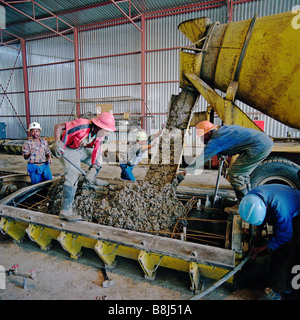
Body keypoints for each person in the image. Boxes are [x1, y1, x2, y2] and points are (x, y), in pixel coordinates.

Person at [180, 121, 273, 213]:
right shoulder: (222, 131)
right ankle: (249, 200)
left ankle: (243, 205)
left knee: (236, 174)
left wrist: (184, 173)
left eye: (201, 137)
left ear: (207, 133)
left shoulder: (215, 141)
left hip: (258, 147)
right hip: (264, 142)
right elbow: (231, 143)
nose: (200, 139)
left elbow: (201, 159)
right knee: (243, 175)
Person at [239, 184, 300, 300]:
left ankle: (276, 290)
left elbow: (285, 237)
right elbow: (260, 219)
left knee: (283, 250)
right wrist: (257, 240)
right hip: (283, 199)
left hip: (297, 212)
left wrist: (262, 248)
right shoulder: (252, 198)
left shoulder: (281, 211)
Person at [51, 112, 116, 221]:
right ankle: (65, 211)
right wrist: (57, 142)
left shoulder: (100, 135)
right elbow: (59, 126)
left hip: (80, 148)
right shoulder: (82, 124)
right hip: (67, 148)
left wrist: (94, 168)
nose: (107, 133)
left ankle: (88, 183)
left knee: (98, 161)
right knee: (73, 174)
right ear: (99, 126)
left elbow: (97, 151)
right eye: (106, 130)